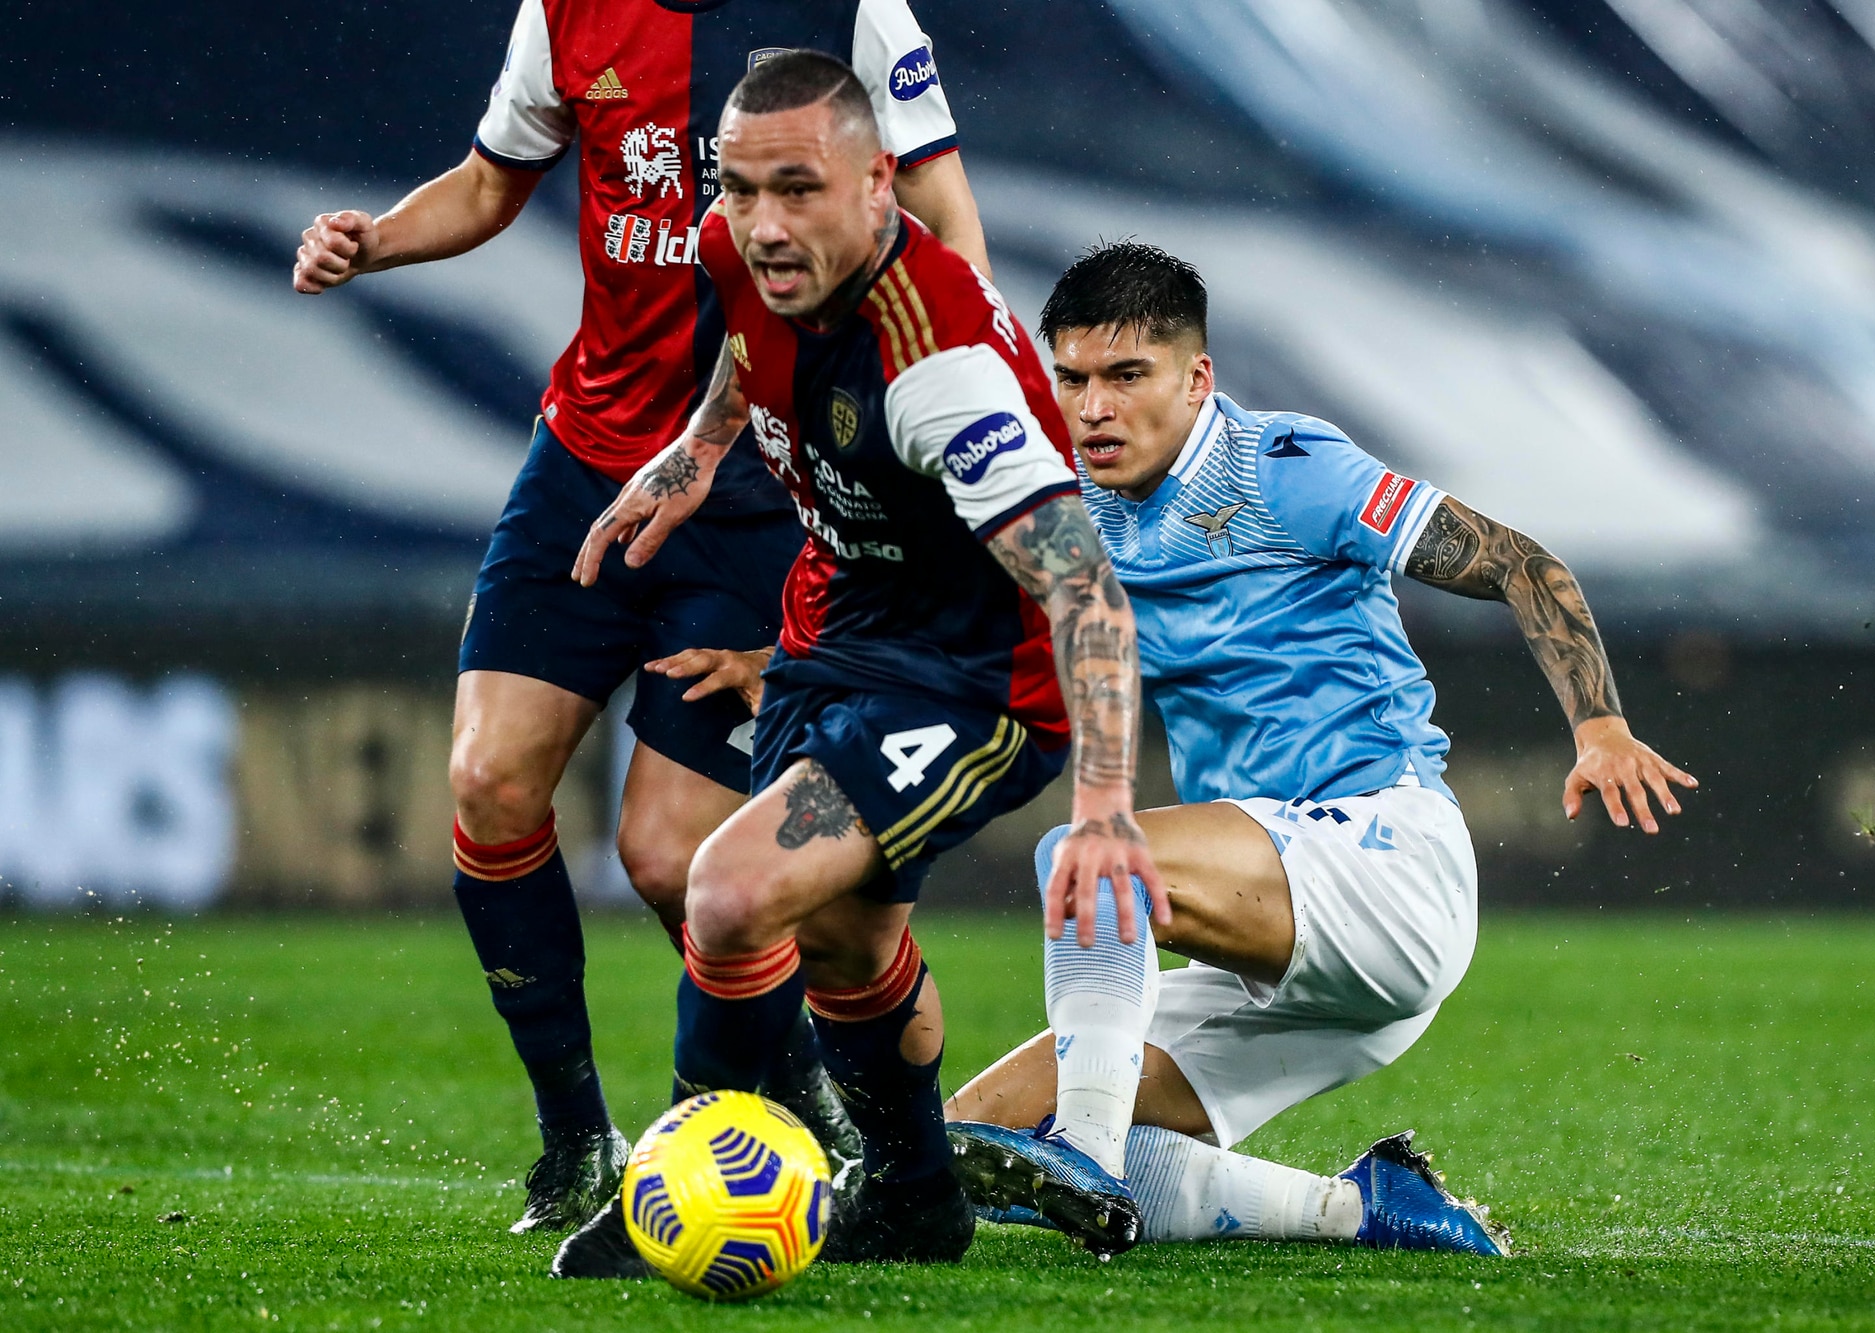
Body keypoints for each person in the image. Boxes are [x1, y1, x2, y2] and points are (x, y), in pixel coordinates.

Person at [290, 0, 990, 1235]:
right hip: (585, 463)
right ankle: (576, 1141)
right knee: (488, 780)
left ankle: (806, 1115)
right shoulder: (564, 11)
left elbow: (945, 218)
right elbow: (489, 181)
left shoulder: (853, 15)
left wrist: (931, 402)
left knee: (671, 859)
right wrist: (375, 241)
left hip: (765, 498)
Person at [943, 242, 1699, 1257]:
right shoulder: (1069, 512)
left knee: (1087, 857)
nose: (1093, 409)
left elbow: (1519, 562)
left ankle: (1084, 1146)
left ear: (1195, 377)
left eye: (1126, 376)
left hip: (1385, 861)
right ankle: (1363, 1208)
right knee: (969, 1141)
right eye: (1072, 380)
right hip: (1277, 929)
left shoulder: (1284, 467)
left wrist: (1598, 725)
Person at [550, 51, 1160, 1277]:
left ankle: (668, 1183)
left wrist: (1103, 806)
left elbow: (1084, 588)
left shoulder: (939, 371)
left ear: (878, 183)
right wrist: (695, 453)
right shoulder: (736, 252)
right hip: (831, 634)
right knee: (845, 945)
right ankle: (914, 1198)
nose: (763, 225)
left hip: (973, 680)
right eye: (739, 190)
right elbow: (745, 355)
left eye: (798, 189)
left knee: (730, 892)